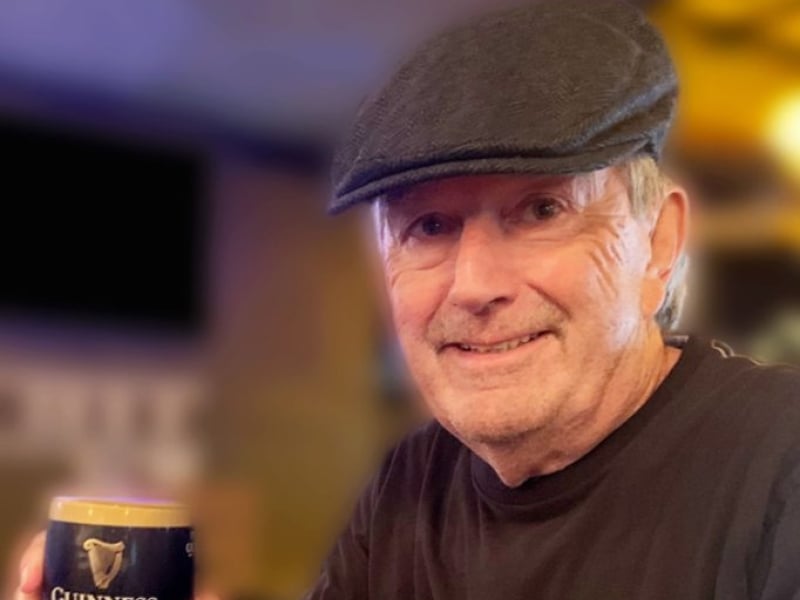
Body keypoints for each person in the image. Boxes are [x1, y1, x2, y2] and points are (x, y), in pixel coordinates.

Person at [16, 1, 800, 599]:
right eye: (428, 226)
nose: (475, 285)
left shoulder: (779, 463)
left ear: (658, 242)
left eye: (541, 211)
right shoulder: (409, 483)